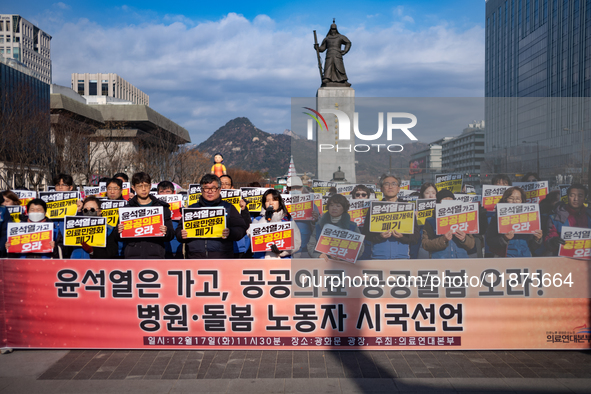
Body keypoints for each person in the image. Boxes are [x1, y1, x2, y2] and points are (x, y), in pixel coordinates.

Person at [177, 174, 248, 259]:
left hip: (221, 256)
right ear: (201, 190)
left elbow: (241, 228)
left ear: (219, 189)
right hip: (195, 256)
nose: (210, 191)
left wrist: (230, 232)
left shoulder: (228, 207)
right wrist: (181, 234)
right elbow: (178, 230)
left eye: (213, 188)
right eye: (206, 188)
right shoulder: (192, 208)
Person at [117, 172, 175, 259]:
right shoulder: (127, 209)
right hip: (133, 256)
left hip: (156, 255)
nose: (143, 189)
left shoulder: (162, 207)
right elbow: (116, 236)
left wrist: (166, 231)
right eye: (140, 186)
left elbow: (171, 234)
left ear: (150, 186)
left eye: (146, 186)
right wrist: (118, 231)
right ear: (133, 188)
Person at [362, 174, 419, 259]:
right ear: (381, 188)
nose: (390, 187)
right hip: (378, 256)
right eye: (386, 184)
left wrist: (402, 237)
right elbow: (366, 234)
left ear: (399, 188)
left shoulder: (407, 207)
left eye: (394, 184)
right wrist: (379, 237)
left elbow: (416, 236)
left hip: (402, 257)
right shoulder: (375, 208)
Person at [485, 187, 543, 257]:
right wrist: (504, 239)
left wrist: (537, 239)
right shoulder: (497, 217)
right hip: (505, 258)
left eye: (518, 199)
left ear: (522, 200)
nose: (515, 201)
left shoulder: (530, 217)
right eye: (511, 198)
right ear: (505, 200)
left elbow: (533, 246)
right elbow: (490, 241)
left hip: (525, 257)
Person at [422, 189, 475, 258]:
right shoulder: (430, 221)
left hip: (461, 260)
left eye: (451, 201)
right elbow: (425, 244)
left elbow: (471, 244)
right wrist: (443, 240)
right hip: (440, 261)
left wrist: (464, 239)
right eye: (445, 202)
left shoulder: (463, 219)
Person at [307, 193, 362, 260]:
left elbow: (360, 248)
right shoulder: (320, 225)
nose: (334, 208)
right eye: (331, 205)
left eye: (338, 206)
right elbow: (311, 245)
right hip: (323, 265)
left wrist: (343, 258)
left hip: (345, 266)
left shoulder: (352, 226)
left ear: (344, 208)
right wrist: (318, 255)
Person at [249, 189, 301, 259]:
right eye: (267, 201)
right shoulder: (258, 219)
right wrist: (265, 218)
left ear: (279, 202)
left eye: (274, 200)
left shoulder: (287, 219)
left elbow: (297, 242)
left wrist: (283, 251)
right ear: (264, 203)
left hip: (283, 262)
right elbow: (250, 235)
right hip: (262, 261)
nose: (271, 203)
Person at [545, 183, 591, 254]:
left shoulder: (589, 216)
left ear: (585, 198)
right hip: (564, 261)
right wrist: (553, 242)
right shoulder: (556, 217)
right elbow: (549, 242)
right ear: (567, 197)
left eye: (580, 196)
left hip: (587, 260)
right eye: (572, 195)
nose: (576, 199)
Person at [220, 174, 252, 257]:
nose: (223, 186)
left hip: (237, 246)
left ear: (232, 187)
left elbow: (245, 224)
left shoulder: (239, 202)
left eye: (227, 184)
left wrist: (244, 209)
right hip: (218, 248)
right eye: (221, 184)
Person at [287, 175, 319, 257]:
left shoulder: (311, 205)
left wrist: (315, 221)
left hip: (304, 249)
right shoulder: (280, 204)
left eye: (298, 187)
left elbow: (318, 230)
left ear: (302, 188)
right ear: (287, 189)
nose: (295, 190)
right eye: (291, 188)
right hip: (286, 248)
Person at [315, 20, 352, 86]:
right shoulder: (327, 38)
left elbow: (348, 42)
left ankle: (343, 80)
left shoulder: (340, 37)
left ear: (336, 29)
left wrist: (345, 50)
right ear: (330, 29)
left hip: (337, 54)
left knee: (339, 67)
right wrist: (317, 48)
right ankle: (327, 78)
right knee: (328, 67)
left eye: (334, 29)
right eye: (332, 29)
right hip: (329, 54)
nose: (333, 30)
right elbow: (322, 48)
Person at [410, 182, 438, 259]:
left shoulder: (441, 209)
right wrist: (414, 219)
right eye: (427, 193)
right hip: (420, 245)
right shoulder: (415, 210)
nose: (431, 195)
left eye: (433, 193)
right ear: (422, 195)